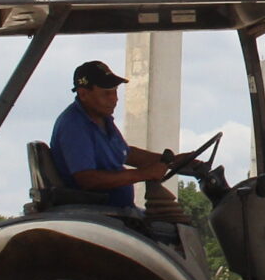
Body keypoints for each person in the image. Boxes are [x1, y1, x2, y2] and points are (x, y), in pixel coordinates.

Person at [49, 60, 173, 210]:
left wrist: (175, 161)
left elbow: (126, 154)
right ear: (83, 94)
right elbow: (87, 179)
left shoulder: (102, 119)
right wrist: (143, 174)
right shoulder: (74, 126)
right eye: (106, 93)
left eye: (114, 92)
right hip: (97, 213)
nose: (114, 99)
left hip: (118, 210)